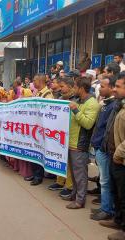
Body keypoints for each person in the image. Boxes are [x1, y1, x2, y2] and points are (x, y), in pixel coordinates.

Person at [64, 77, 100, 209]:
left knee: (80, 174)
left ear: (81, 88)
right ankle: (74, 194)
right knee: (74, 173)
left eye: (75, 86)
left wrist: (76, 110)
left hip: (80, 144)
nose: (73, 89)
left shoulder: (92, 103)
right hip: (71, 142)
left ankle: (80, 200)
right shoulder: (77, 100)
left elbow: (88, 124)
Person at [100, 75, 125, 240]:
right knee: (118, 194)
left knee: (124, 197)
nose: (114, 89)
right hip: (114, 158)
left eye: (118, 86)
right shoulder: (119, 106)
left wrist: (118, 154)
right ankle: (118, 220)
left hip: (121, 159)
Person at [89, 75, 117, 220]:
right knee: (104, 181)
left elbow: (108, 130)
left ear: (112, 88)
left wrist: (100, 146)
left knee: (105, 182)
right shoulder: (106, 104)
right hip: (99, 147)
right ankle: (104, 207)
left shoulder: (113, 106)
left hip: (104, 149)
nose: (100, 88)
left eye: (104, 86)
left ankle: (107, 210)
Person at [48, 77, 76, 197]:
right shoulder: (59, 99)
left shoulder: (75, 100)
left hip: (71, 133)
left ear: (70, 86)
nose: (60, 88)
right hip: (59, 133)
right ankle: (59, 181)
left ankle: (69, 186)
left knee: (69, 162)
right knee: (60, 157)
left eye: (62, 86)